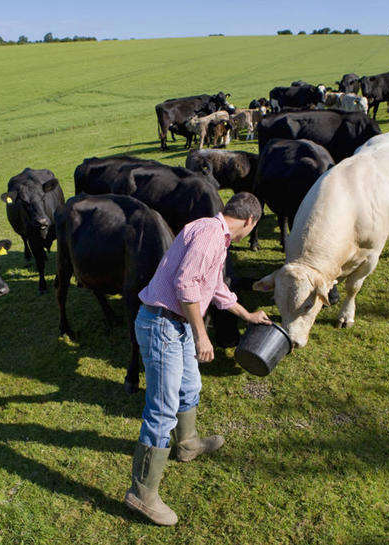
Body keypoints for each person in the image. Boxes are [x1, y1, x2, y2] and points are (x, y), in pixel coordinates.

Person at [124, 192, 272, 526]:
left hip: (174, 325)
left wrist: (246, 314)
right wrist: (202, 335)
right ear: (250, 221)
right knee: (161, 409)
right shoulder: (209, 235)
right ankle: (142, 494)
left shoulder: (215, 236)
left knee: (190, 387)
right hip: (163, 324)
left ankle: (187, 444)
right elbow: (186, 284)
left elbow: (214, 287)